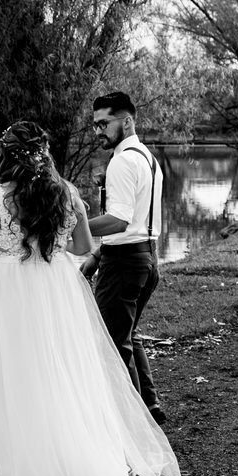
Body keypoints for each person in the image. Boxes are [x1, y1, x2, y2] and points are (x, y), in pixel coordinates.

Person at [0, 120, 180, 476]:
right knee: (60, 365)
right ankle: (73, 454)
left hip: (10, 291)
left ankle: (28, 459)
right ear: (43, 154)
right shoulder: (66, 193)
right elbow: (83, 246)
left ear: (6, 155)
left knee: (17, 369)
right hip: (56, 287)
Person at [81, 91, 167, 425]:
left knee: (111, 346)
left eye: (104, 123)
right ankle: (149, 404)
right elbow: (140, 220)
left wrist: (71, 227)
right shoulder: (148, 158)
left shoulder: (121, 161)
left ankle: (131, 427)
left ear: (126, 120)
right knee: (126, 334)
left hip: (124, 265)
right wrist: (99, 253)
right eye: (95, 125)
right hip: (145, 259)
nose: (98, 131)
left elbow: (118, 221)